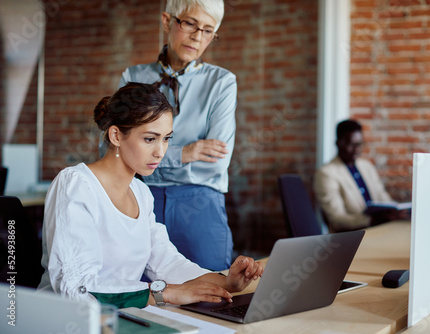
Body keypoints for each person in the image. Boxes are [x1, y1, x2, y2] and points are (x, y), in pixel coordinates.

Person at [38, 83, 262, 308]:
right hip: (67, 321)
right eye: (149, 139)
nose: (161, 151)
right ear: (116, 135)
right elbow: (75, 287)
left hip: (122, 317)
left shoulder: (141, 192)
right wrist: (165, 294)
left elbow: (167, 263)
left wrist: (227, 282)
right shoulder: (75, 185)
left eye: (166, 138)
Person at [116, 0, 236, 271]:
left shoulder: (222, 83)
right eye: (190, 23)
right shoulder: (134, 77)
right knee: (141, 295)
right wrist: (185, 153)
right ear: (167, 21)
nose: (197, 36)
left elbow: (216, 162)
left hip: (200, 205)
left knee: (211, 296)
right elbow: (115, 152)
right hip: (139, 199)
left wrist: (145, 158)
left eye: (208, 30)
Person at [314, 119, 405, 232]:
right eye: (351, 144)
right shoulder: (326, 173)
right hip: (351, 238)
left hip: (380, 230)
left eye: (359, 144)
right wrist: (371, 220)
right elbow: (337, 219)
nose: (356, 149)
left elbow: (382, 197)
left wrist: (395, 210)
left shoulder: (366, 166)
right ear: (338, 143)